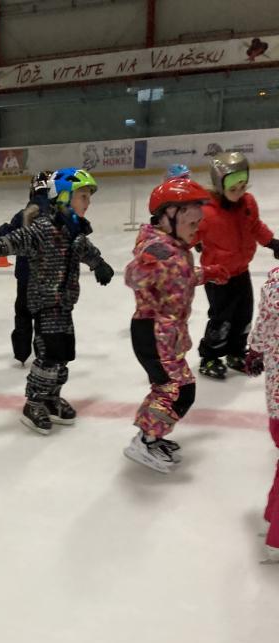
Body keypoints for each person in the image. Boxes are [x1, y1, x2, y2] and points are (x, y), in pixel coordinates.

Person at [0, 167, 114, 434]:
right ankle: (34, 401)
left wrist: (99, 264)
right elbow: (14, 239)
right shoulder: (43, 228)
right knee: (48, 356)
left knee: (64, 354)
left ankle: (51, 397)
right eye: (83, 196)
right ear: (64, 196)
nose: (88, 202)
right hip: (45, 302)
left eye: (89, 197)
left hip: (64, 303)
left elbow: (85, 249)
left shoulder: (74, 230)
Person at [122, 177, 228, 473]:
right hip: (153, 331)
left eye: (198, 223)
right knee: (176, 389)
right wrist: (143, 264)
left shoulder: (175, 247)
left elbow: (178, 278)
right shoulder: (157, 247)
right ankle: (145, 441)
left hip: (167, 334)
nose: (197, 228)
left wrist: (207, 273)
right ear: (170, 215)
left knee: (172, 388)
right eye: (192, 222)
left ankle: (151, 437)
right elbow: (132, 276)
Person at [196, 151, 279, 379]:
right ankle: (210, 356)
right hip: (217, 275)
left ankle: (236, 351)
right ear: (219, 186)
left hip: (242, 271)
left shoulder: (247, 203)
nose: (240, 192)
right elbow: (190, 233)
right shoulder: (206, 212)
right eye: (233, 189)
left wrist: (271, 242)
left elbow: (255, 226)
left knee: (244, 315)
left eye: (243, 186)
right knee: (221, 320)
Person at [0, 171, 52, 365]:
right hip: (48, 277)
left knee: (23, 313)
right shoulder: (57, 215)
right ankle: (43, 354)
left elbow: (5, 233)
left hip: (26, 277)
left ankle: (21, 352)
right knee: (44, 316)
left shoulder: (23, 215)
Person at [244, 265, 279, 562]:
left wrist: (255, 350)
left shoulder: (276, 281)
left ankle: (272, 514)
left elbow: (264, 325)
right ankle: (277, 539)